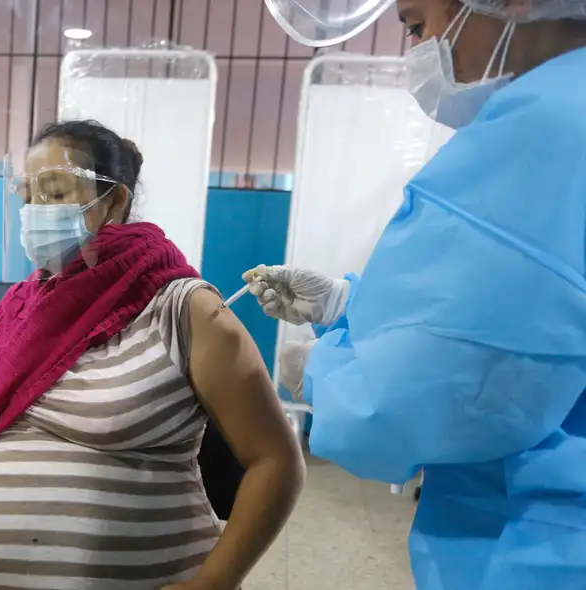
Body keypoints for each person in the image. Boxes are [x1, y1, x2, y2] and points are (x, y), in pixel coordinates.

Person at [245, 0, 586, 588]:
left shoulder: (548, 129)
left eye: (416, 25)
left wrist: (321, 372)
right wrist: (344, 308)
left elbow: (412, 403)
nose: (418, 53)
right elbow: (523, 323)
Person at [0, 120, 305, 590]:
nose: (35, 212)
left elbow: (276, 460)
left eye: (54, 193)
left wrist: (212, 583)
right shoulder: (21, 306)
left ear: (113, 202)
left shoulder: (185, 309)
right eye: (28, 196)